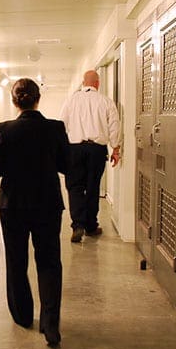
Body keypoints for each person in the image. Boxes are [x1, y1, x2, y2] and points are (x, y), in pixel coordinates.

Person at [0, 78, 70, 346]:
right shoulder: (55, 128)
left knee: (16, 260)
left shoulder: (5, 129)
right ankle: (50, 323)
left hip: (13, 205)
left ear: (14, 101)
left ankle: (23, 315)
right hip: (47, 203)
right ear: (38, 99)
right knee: (49, 262)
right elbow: (66, 166)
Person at [59, 69, 121, 243]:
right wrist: (115, 148)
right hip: (97, 150)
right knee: (93, 187)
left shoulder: (71, 101)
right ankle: (91, 226)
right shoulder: (106, 101)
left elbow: (61, 124)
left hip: (75, 149)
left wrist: (64, 149)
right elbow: (114, 125)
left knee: (75, 187)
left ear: (83, 83)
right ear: (97, 83)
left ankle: (77, 225)